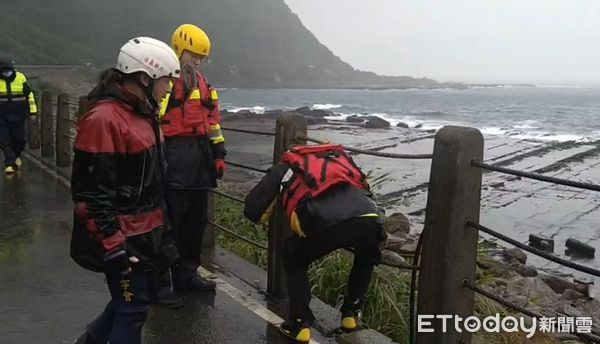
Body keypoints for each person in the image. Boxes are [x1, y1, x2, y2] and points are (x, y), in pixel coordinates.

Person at [70, 37, 181, 344]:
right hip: (122, 235)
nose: (168, 89)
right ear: (144, 78)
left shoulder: (143, 112)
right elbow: (90, 192)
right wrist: (113, 244)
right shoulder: (105, 119)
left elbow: (151, 181)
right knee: (132, 310)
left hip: (147, 232)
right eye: (165, 81)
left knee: (130, 303)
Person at [244, 143, 387, 343]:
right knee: (366, 256)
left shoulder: (285, 167)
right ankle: (351, 315)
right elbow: (363, 186)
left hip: (322, 222)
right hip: (368, 217)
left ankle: (299, 322)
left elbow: (253, 210)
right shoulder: (339, 160)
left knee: (293, 256)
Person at [157, 23, 226, 297]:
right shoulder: (164, 82)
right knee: (167, 222)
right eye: (193, 55)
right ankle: (160, 283)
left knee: (196, 224)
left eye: (201, 57)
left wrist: (219, 154)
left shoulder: (205, 85)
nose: (196, 61)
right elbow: (151, 119)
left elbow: (213, 123)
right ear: (178, 50)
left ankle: (187, 275)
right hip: (172, 156)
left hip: (200, 159)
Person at [0, 57, 37, 175]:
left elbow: (29, 95)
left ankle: (16, 157)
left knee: (20, 140)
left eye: (9, 69)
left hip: (19, 115)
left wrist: (33, 112)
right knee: (3, 139)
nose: (7, 72)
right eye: (4, 70)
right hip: (2, 116)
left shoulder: (20, 77)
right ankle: (10, 163)